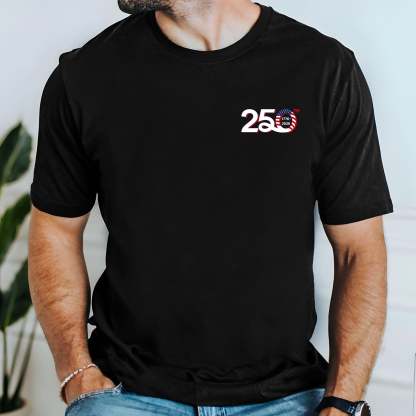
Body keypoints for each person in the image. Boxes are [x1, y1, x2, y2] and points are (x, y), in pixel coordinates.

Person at [28, 0, 393, 415]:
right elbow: (56, 228)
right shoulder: (84, 76)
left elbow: (358, 248)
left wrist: (343, 400)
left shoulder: (323, 68)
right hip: (126, 393)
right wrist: (76, 371)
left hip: (286, 395)